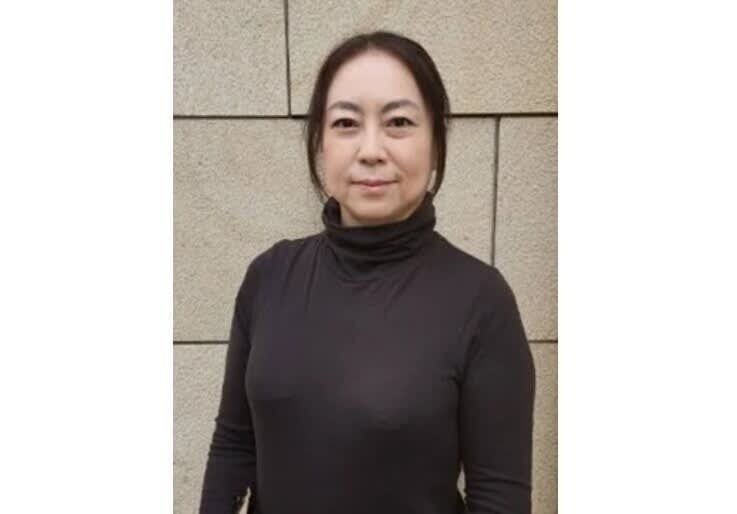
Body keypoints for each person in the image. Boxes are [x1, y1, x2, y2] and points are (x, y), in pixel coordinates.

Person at [199, 30, 535, 514]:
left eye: (399, 122)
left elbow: (499, 496)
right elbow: (233, 446)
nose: (371, 149)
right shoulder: (269, 277)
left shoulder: (481, 301)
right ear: (320, 143)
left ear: (436, 143)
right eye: (346, 123)